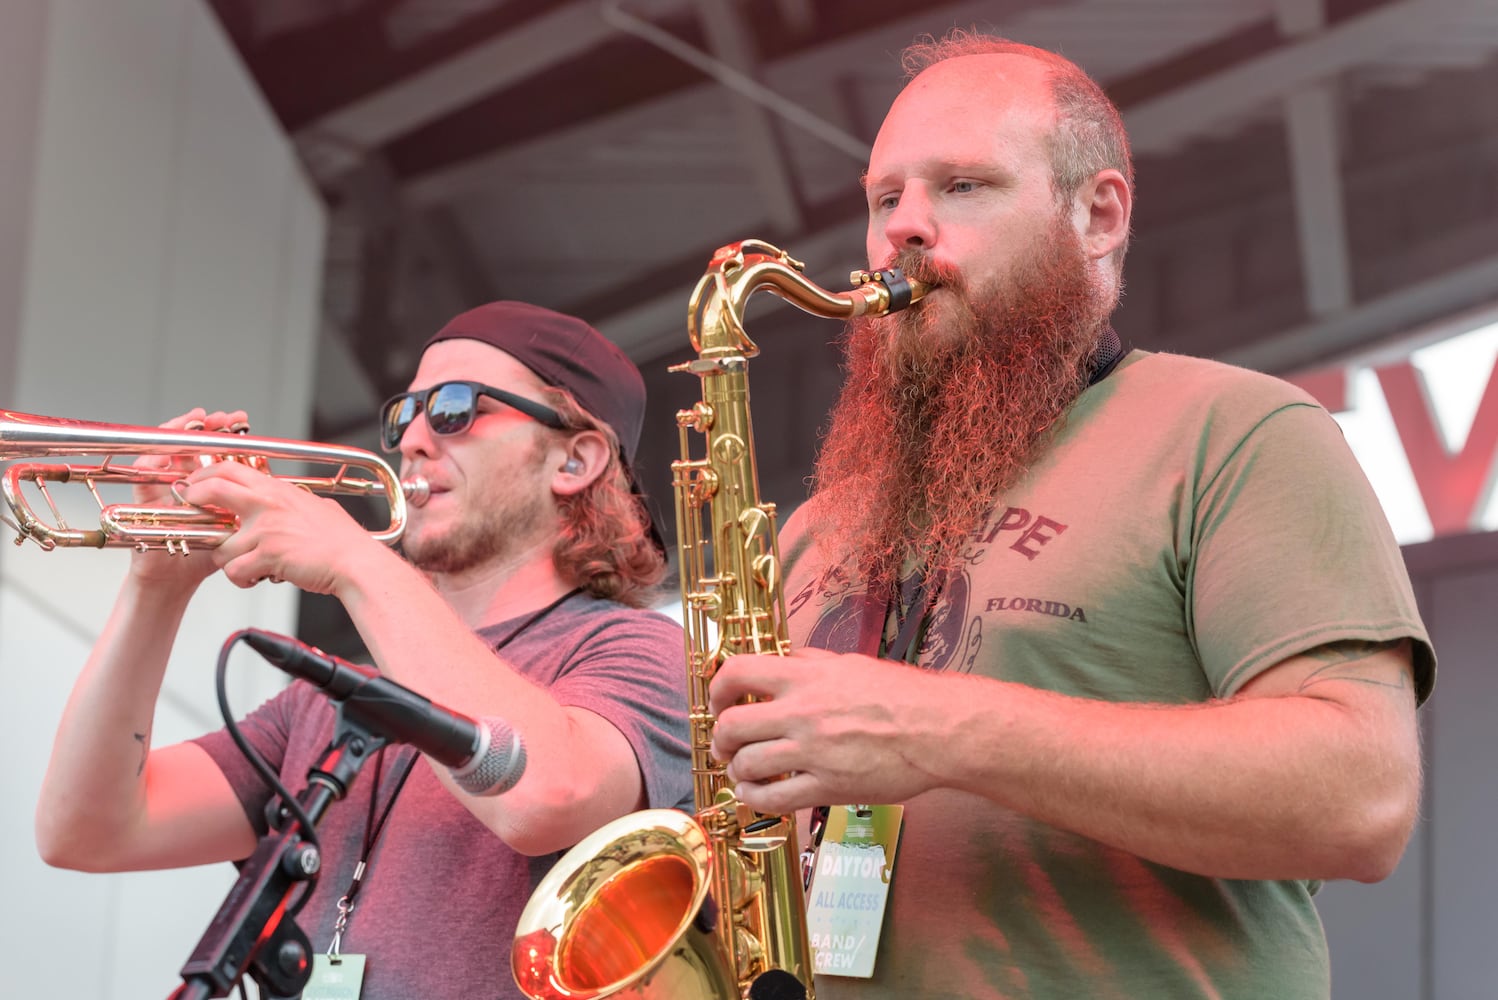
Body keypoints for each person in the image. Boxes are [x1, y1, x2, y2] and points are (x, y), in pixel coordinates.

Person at [707, 29, 1435, 1000]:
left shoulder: (1234, 431)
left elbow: (1360, 798)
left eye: (962, 186)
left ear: (1097, 215)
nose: (902, 230)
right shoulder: (812, 529)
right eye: (885, 198)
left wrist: (939, 728)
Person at [34, 302, 693, 999]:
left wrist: (357, 561)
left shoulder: (639, 651)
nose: (411, 438)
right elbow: (87, 828)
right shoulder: (325, 700)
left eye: (455, 409)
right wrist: (155, 587)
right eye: (405, 413)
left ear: (575, 458)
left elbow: (544, 797)